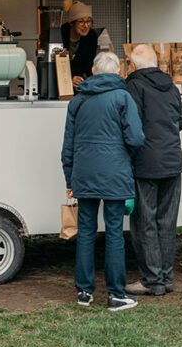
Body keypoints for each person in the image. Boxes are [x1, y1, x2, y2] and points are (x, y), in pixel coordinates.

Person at [61, 51, 144, 312]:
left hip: (84, 174)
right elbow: (136, 138)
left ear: (94, 72)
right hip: (115, 173)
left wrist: (69, 177)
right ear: (118, 72)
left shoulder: (78, 101)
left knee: (85, 232)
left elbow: (68, 146)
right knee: (114, 233)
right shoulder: (123, 97)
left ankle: (84, 292)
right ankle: (116, 295)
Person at [123, 43, 182, 297]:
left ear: (133, 64)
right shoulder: (170, 86)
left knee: (144, 222)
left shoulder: (134, 86)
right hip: (172, 161)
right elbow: (180, 121)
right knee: (167, 222)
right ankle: (166, 277)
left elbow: (131, 128)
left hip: (146, 164)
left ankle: (152, 280)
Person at [61, 0, 113, 88]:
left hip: (80, 83)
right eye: (81, 21)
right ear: (71, 23)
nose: (86, 26)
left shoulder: (91, 37)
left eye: (88, 21)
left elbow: (88, 65)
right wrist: (70, 77)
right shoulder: (59, 36)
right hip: (61, 81)